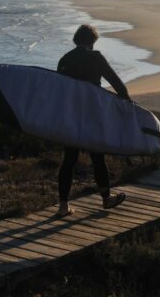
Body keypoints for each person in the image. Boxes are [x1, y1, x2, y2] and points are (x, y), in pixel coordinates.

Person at [55, 24, 129, 217]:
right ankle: (106, 199)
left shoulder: (65, 60)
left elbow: (58, 89)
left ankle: (63, 206)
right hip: (91, 114)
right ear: (92, 41)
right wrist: (127, 106)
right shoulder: (95, 57)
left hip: (70, 115)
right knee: (98, 158)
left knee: (69, 160)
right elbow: (117, 84)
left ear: (76, 39)